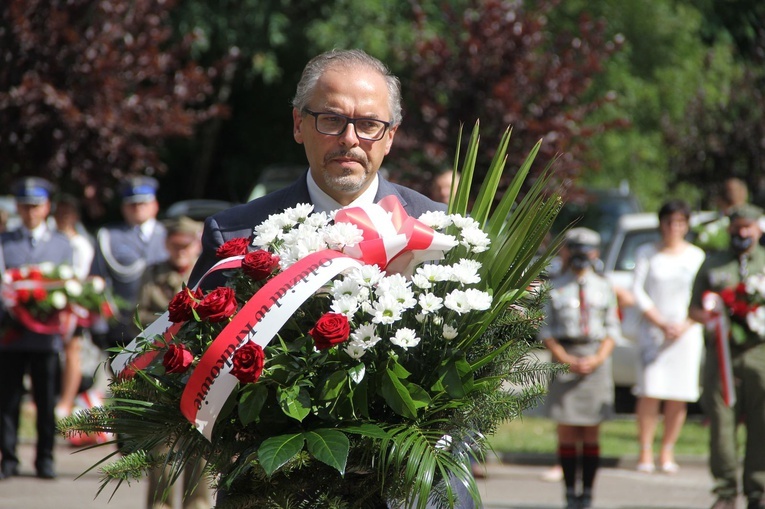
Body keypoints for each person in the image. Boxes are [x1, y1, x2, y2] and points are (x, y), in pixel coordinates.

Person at [187, 49, 471, 508]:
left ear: (391, 136)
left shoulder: (441, 231)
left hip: (408, 493)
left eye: (369, 124)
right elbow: (192, 364)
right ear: (299, 124)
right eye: (331, 119)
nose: (350, 139)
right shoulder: (239, 234)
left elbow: (472, 376)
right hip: (273, 490)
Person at [689, 204, 765, 509]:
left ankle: (758, 491)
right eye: (737, 228)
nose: (742, 233)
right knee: (721, 425)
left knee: (762, 424)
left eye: (747, 227)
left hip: (761, 354)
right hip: (722, 354)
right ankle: (724, 492)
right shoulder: (712, 263)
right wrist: (712, 317)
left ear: (758, 229)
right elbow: (693, 309)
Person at [538, 227, 620, 509]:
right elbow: (545, 328)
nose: (580, 256)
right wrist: (562, 356)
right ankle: (569, 494)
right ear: (565, 252)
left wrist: (597, 359)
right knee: (567, 430)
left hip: (595, 356)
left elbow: (612, 329)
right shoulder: (555, 286)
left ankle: (587, 494)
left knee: (591, 430)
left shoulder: (605, 286)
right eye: (574, 250)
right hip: (565, 355)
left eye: (586, 251)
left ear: (596, 253)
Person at [0, 177, 74, 480]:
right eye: (25, 206)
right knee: (8, 400)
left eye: (36, 206)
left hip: (45, 336)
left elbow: (66, 284)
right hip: (11, 333)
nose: (30, 212)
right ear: (17, 208)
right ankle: (9, 459)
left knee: (45, 400)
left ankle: (45, 458)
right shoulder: (5, 242)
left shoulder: (61, 244)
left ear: (46, 208)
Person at [137, 216, 212, 509]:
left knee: (200, 451)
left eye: (187, 244)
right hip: (160, 373)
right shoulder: (152, 274)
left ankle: (198, 505)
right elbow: (138, 319)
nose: (180, 250)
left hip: (201, 375)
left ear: (197, 244)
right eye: (174, 244)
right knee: (162, 451)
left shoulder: (208, 274)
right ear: (167, 244)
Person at [631, 200, 705, 474]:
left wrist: (685, 323)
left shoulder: (697, 256)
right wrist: (661, 323)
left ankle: (667, 451)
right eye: (669, 222)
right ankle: (645, 450)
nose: (674, 227)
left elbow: (702, 294)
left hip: (686, 333)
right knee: (650, 391)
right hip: (653, 332)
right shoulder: (646, 253)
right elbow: (638, 291)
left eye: (680, 222)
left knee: (679, 393)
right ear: (661, 224)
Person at [91, 176, 168, 350]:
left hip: (164, 325)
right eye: (132, 204)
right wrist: (99, 326)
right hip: (123, 326)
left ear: (155, 205)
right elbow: (97, 282)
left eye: (143, 203)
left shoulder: (168, 236)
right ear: (123, 207)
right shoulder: (109, 237)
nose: (138, 208)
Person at [51, 194, 97, 419]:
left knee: (71, 351)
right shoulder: (51, 240)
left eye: (67, 213)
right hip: (51, 305)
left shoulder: (80, 243)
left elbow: (81, 276)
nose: (62, 218)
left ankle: (66, 400)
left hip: (72, 305)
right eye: (59, 213)